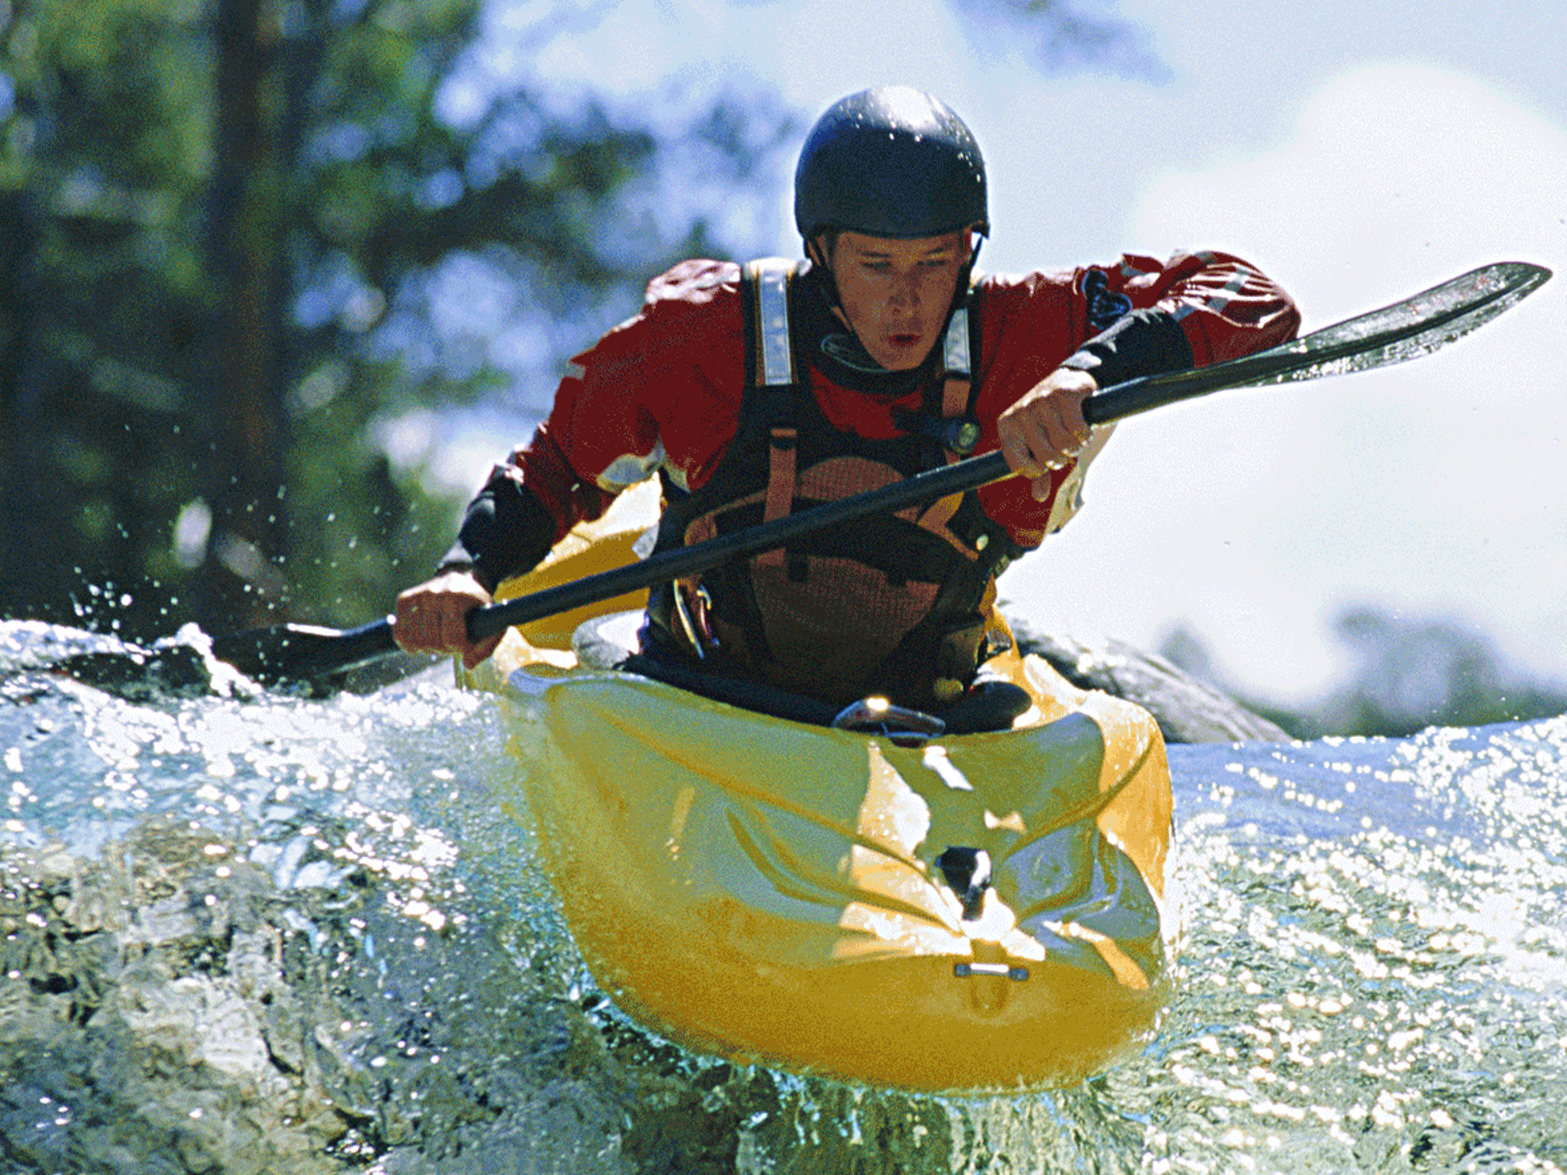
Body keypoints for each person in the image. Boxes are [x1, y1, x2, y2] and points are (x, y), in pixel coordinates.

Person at [392, 85, 1299, 715]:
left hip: (917, 721)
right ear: (822, 253)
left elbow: (1252, 297)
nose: (907, 300)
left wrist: (1090, 371)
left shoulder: (1026, 334)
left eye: (934, 263)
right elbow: (556, 465)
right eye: (877, 265)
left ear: (969, 252)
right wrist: (469, 568)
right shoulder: (708, 334)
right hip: (697, 699)